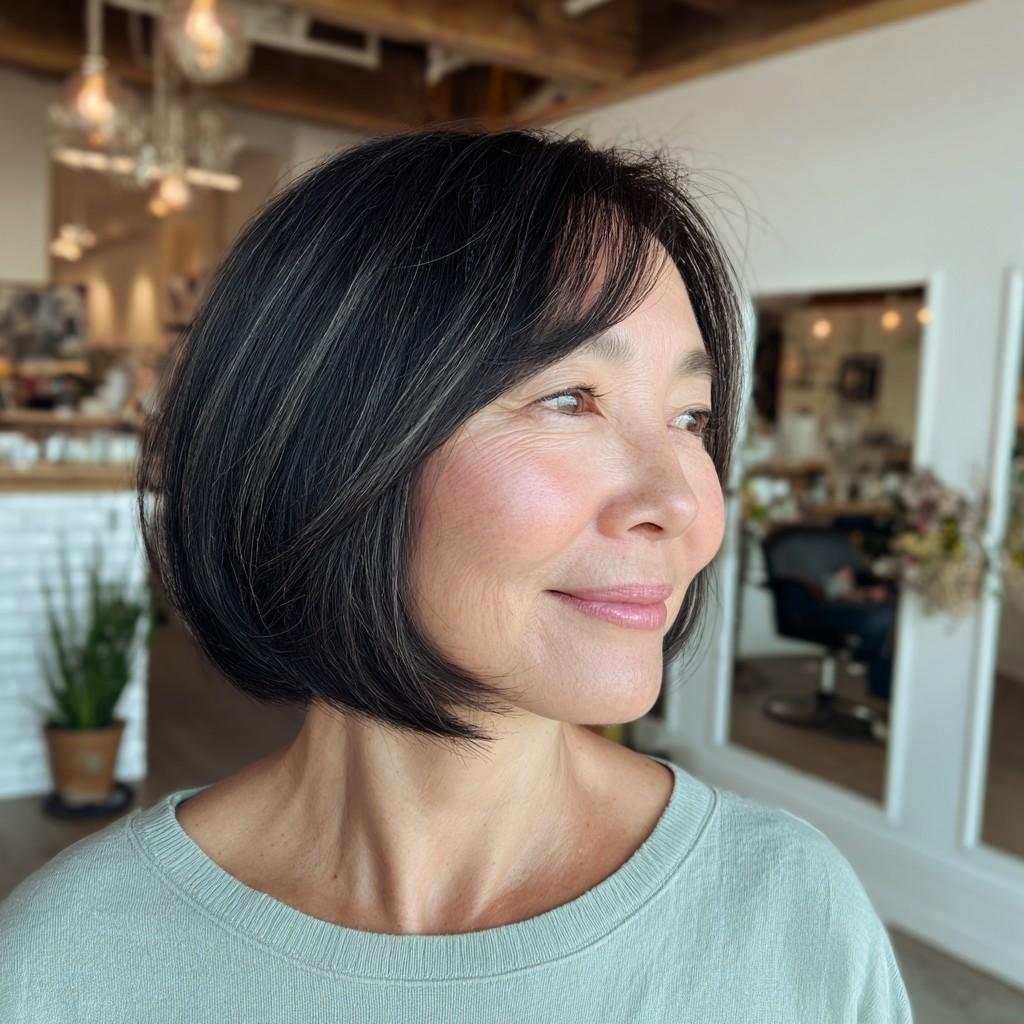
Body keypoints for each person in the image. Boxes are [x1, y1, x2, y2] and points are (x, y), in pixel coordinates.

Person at [0, 127, 913, 1022]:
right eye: (571, 399)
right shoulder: (70, 962)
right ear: (321, 443)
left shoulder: (794, 918)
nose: (681, 503)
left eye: (691, 418)